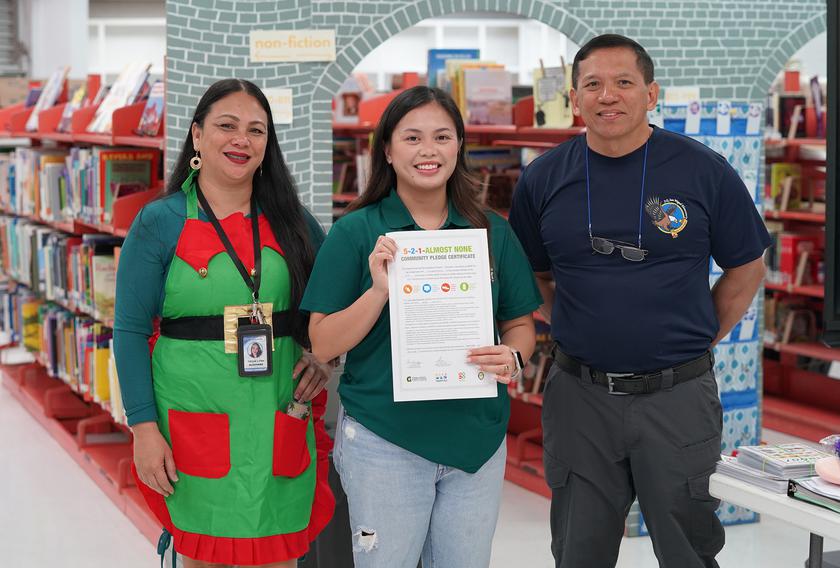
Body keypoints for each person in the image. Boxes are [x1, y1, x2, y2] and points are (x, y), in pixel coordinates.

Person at [508, 34, 770, 568]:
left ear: (651, 94)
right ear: (575, 99)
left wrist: (695, 337)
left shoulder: (704, 171)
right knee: (578, 550)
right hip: (579, 395)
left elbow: (746, 268)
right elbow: (533, 278)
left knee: (688, 548)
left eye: (624, 82)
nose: (609, 96)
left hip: (678, 397)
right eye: (593, 85)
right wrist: (581, 327)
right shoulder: (541, 178)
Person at [301, 86, 542, 568]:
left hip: (476, 440)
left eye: (441, 137)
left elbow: (520, 325)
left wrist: (514, 356)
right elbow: (322, 342)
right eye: (412, 137)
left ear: (458, 147)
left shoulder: (492, 232)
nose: (428, 150)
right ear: (387, 150)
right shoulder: (356, 232)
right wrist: (378, 293)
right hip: (384, 441)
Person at [114, 79, 335, 568]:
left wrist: (322, 354)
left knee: (278, 548)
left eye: (256, 130)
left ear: (267, 146)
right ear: (197, 136)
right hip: (190, 417)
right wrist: (143, 429)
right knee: (203, 554)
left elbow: (330, 305)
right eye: (226, 126)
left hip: (278, 411)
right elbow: (129, 330)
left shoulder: (293, 221)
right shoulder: (159, 222)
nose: (242, 140)